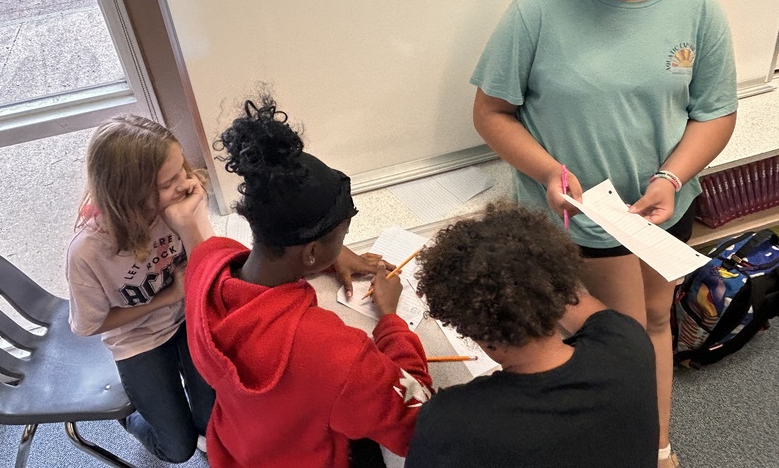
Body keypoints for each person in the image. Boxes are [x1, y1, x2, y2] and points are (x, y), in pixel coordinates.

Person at [470, 0, 737, 465]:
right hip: (581, 218)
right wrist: (548, 171)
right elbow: (491, 112)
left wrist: (671, 178)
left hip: (663, 209)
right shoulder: (537, 9)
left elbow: (715, 111)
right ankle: (624, 447)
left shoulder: (695, 3)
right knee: (620, 340)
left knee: (657, 321)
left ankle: (657, 445)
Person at [163, 94, 433, 468]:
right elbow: (421, 427)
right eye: (342, 236)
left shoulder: (205, 265)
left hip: (239, 446)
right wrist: (391, 320)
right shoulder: (336, 355)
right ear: (310, 252)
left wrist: (328, 255)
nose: (343, 245)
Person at [405, 203, 659, 468]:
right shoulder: (628, 342)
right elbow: (579, 303)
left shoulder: (451, 421)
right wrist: (532, 272)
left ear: (466, 328)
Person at [65, 115, 215, 463]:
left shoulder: (180, 203)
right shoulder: (87, 251)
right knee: (178, 448)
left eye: (181, 170)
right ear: (128, 195)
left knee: (213, 426)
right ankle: (129, 416)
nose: (186, 183)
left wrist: (186, 224)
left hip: (186, 319)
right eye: (168, 182)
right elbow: (89, 325)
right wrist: (167, 297)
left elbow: (207, 271)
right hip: (138, 337)